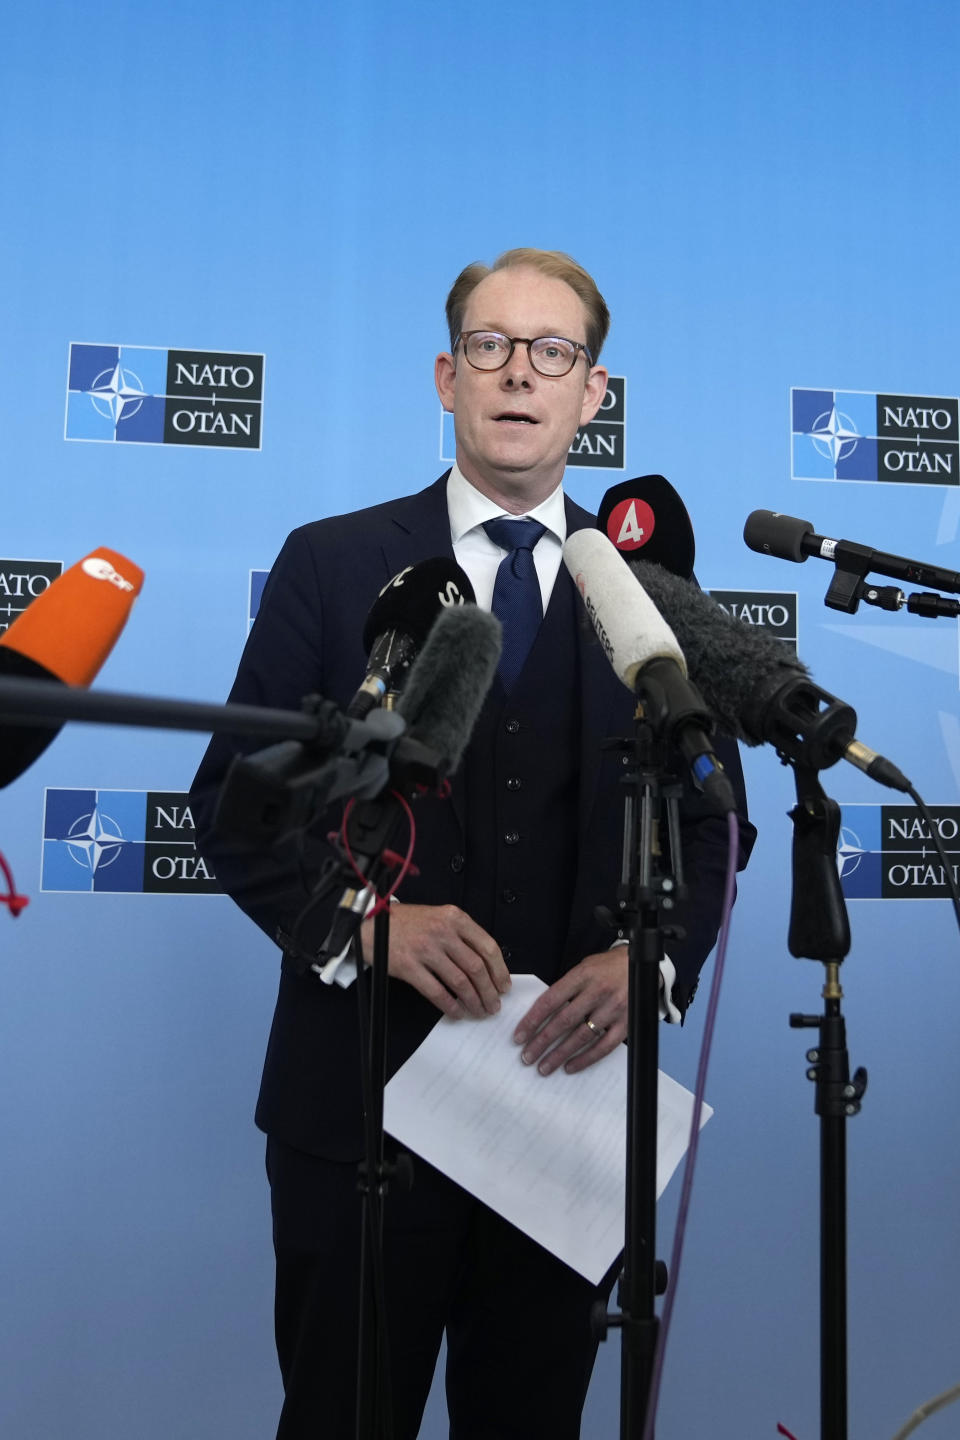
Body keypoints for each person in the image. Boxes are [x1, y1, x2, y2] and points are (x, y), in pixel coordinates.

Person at [190, 247, 755, 1439]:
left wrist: (647, 967)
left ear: (592, 392)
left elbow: (715, 822)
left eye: (552, 353)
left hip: (566, 1111)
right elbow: (233, 810)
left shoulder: (651, 592)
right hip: (353, 1114)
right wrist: (366, 924)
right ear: (448, 377)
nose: (519, 376)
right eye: (491, 348)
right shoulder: (335, 564)